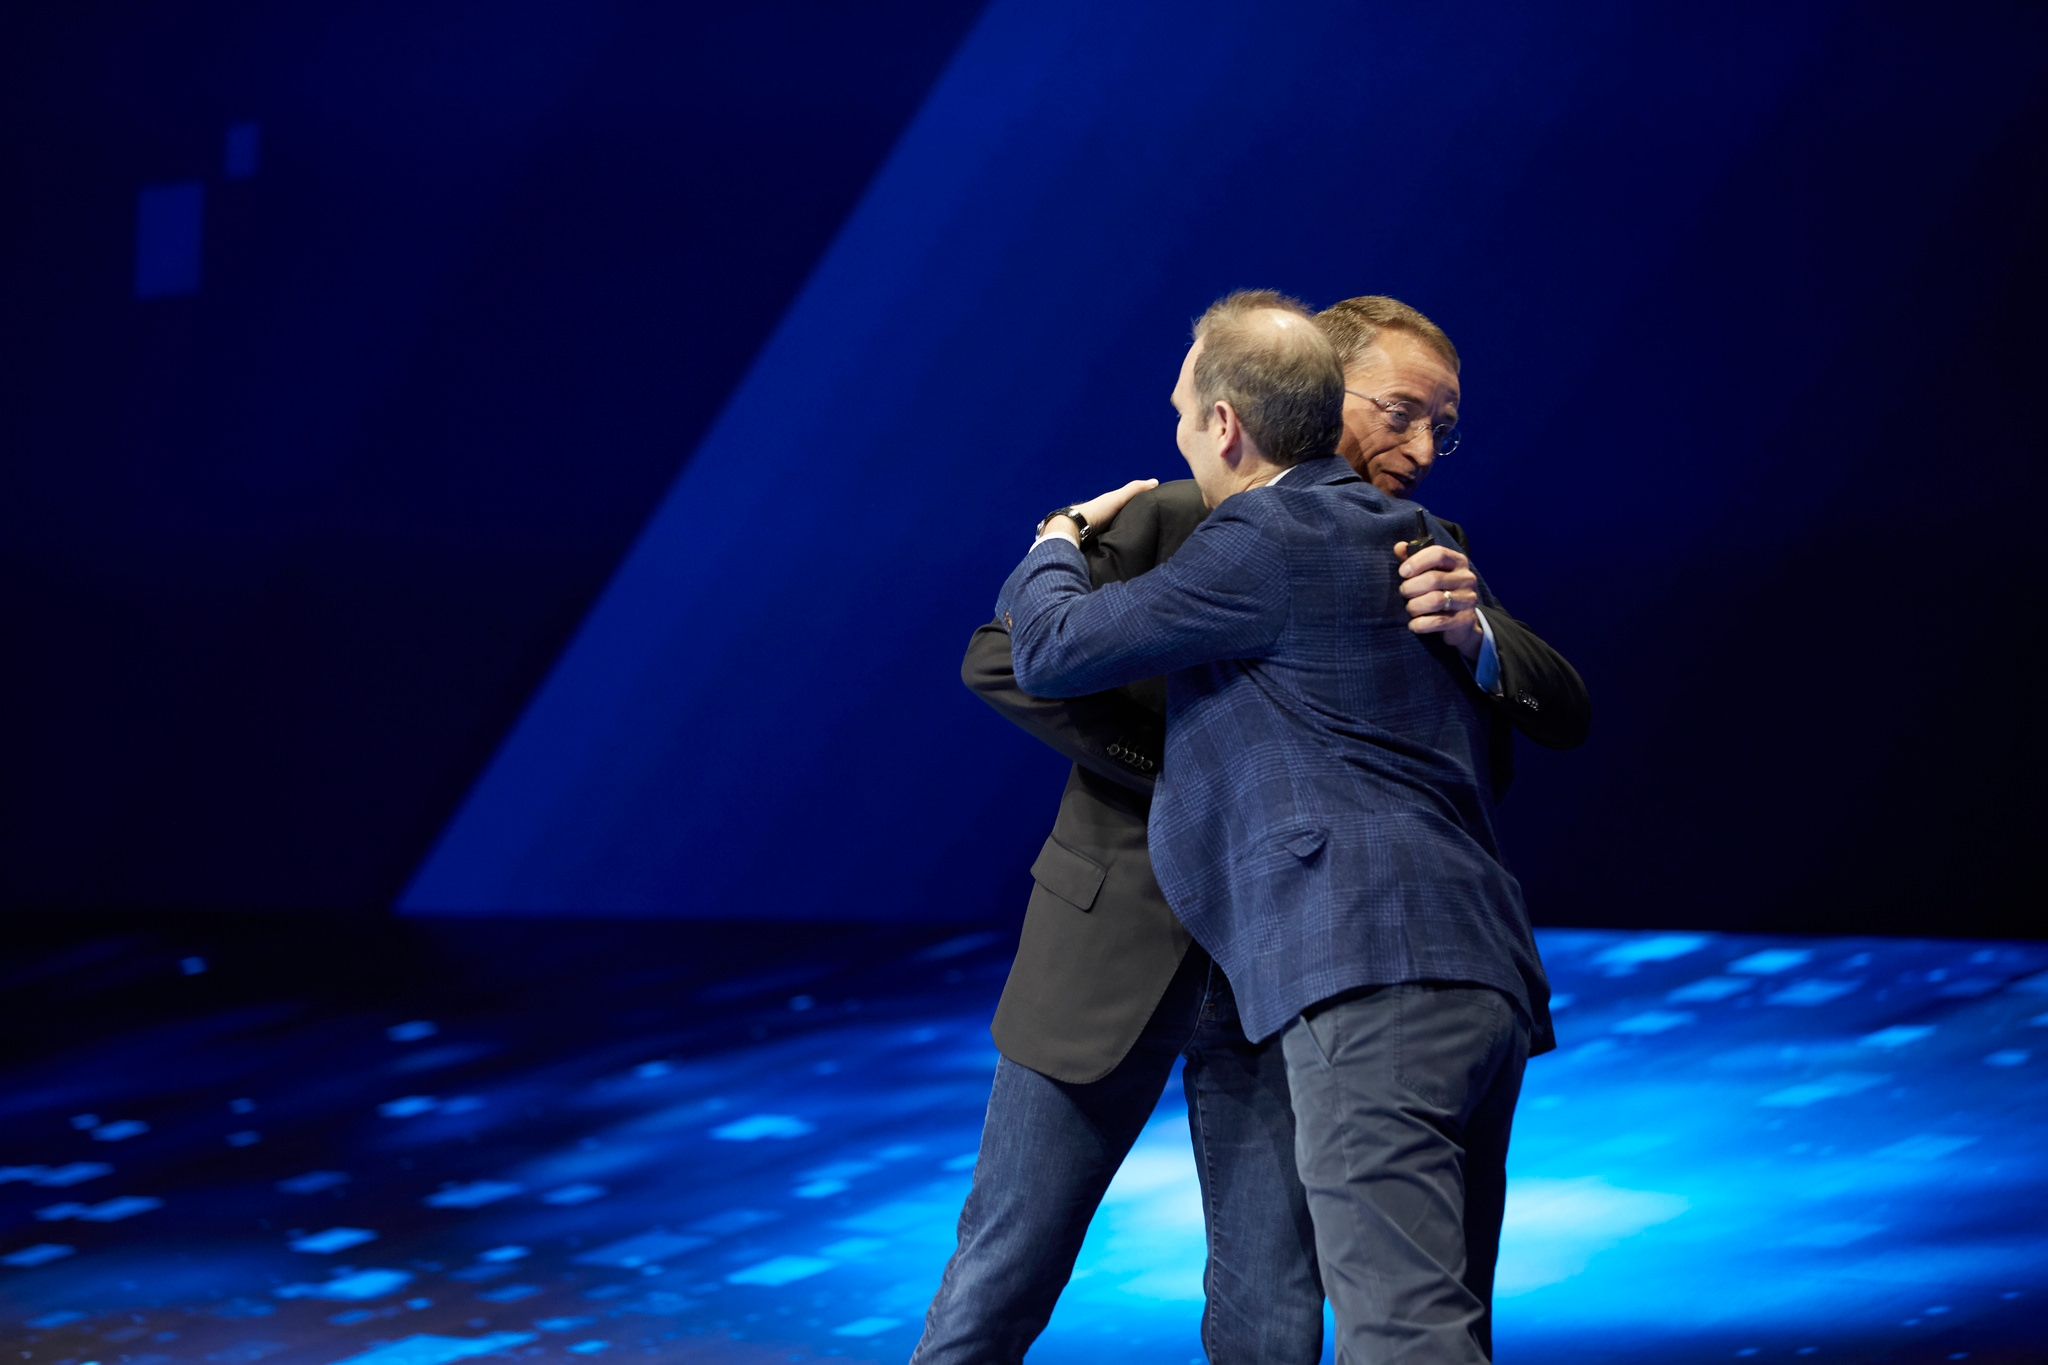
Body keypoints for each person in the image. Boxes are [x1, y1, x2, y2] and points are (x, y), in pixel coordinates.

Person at [993, 291, 1553, 1363]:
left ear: (1224, 422)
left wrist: (1058, 539)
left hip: (1358, 967)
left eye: (1180, 412)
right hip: (1475, 968)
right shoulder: (1413, 542)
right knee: (1441, 1318)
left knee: (1399, 1333)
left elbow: (1046, 649)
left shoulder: (1267, 536)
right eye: (1400, 413)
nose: (1422, 448)